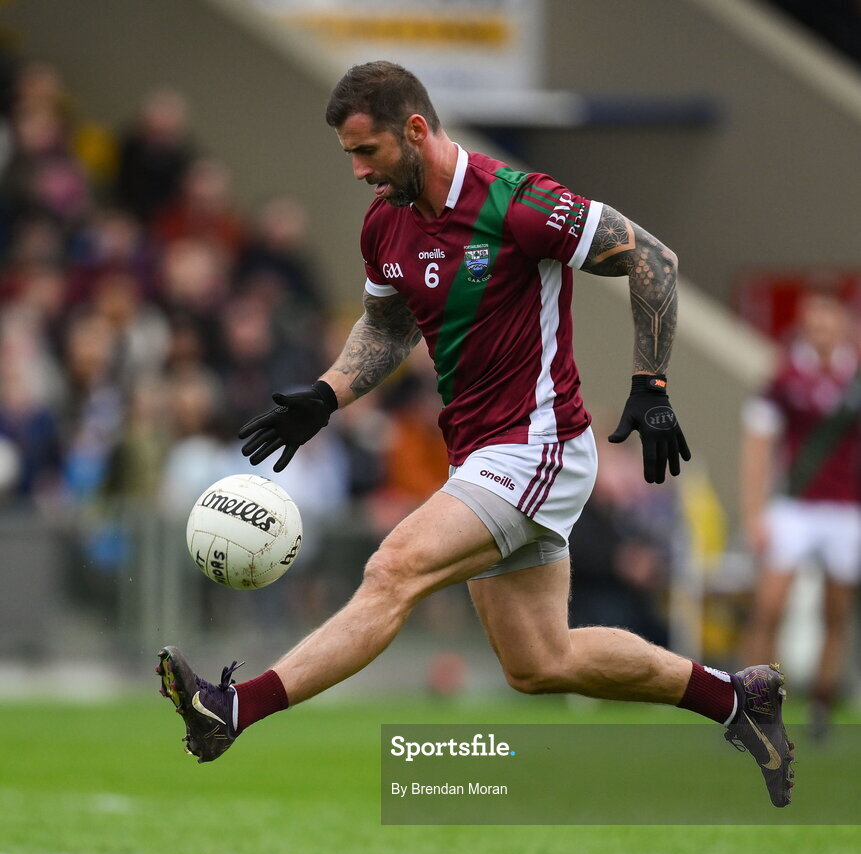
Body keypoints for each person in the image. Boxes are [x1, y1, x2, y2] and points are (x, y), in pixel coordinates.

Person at [157, 61, 795, 808]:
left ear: (416, 130)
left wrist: (649, 384)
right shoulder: (384, 223)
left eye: (366, 152)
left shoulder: (517, 202)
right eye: (348, 156)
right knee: (538, 663)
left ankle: (237, 710)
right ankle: (735, 698)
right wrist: (327, 394)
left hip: (539, 444)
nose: (358, 170)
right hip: (481, 455)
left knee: (393, 568)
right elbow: (388, 326)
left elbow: (653, 259)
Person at [740, 289, 861, 739]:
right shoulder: (787, 375)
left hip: (846, 509)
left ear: (843, 325)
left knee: (836, 611)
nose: (821, 329)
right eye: (813, 321)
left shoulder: (856, 376)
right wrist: (754, 512)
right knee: (768, 606)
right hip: (795, 506)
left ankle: (823, 704)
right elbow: (757, 442)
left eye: (828, 321)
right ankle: (755, 704)